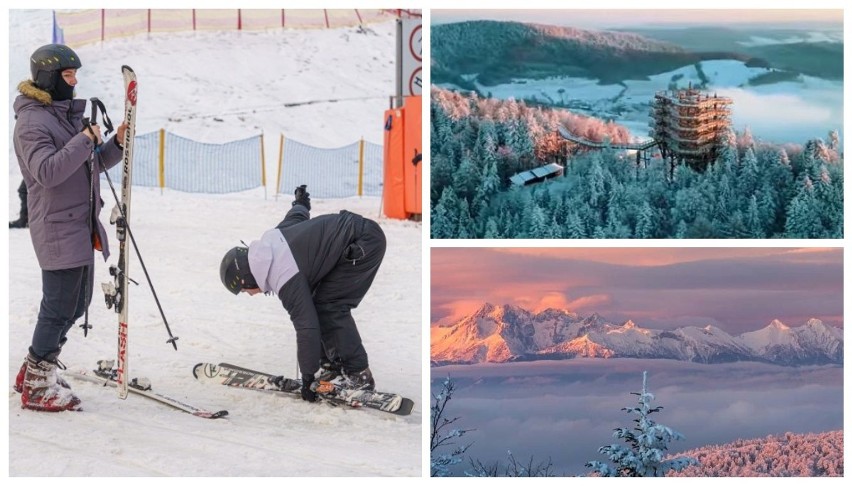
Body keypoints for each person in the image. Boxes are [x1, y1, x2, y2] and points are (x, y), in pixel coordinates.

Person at [13, 44, 128, 412]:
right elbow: (47, 172)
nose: (75, 81)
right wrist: (84, 139)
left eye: (75, 74)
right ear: (48, 77)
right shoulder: (31, 122)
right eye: (67, 75)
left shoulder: (61, 116)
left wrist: (115, 144)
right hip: (56, 226)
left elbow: (89, 163)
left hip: (79, 223)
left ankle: (37, 368)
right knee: (59, 306)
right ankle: (36, 382)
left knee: (78, 304)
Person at [219, 185, 386, 403]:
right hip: (358, 234)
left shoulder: (283, 276)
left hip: (363, 244)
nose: (249, 294)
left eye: (243, 290)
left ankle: (359, 375)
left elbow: (306, 327)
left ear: (246, 278)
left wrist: (308, 377)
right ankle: (332, 367)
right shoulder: (270, 241)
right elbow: (294, 219)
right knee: (319, 302)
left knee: (330, 306)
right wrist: (301, 204)